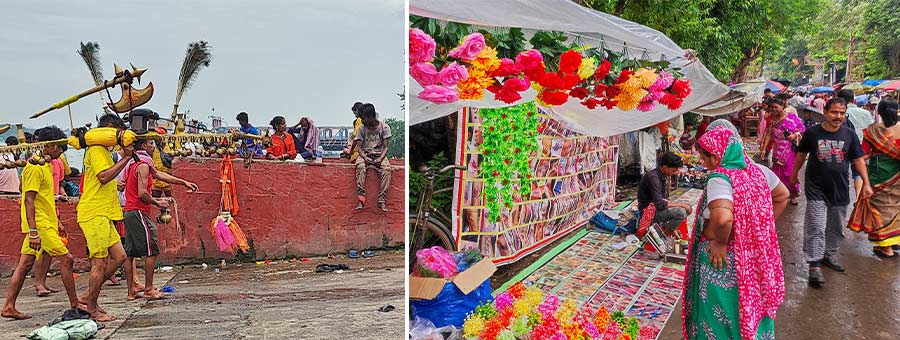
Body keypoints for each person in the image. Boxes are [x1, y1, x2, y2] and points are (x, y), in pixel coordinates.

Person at [682, 126, 787, 340]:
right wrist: (757, 229)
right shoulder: (759, 171)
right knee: (752, 304)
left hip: (724, 259)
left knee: (722, 311)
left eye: (704, 157)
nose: (702, 162)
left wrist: (721, 243)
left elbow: (722, 218)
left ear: (716, 155)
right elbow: (782, 196)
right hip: (754, 256)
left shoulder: (720, 177)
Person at [791, 97, 873, 288]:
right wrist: (794, 175)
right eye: (834, 112)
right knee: (816, 225)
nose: (838, 116)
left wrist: (866, 183)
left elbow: (858, 160)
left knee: (836, 226)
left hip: (840, 187)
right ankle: (814, 264)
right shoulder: (812, 133)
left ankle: (828, 253)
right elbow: (801, 156)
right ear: (825, 112)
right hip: (815, 187)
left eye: (842, 113)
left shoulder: (849, 134)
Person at [2, 126, 81, 320]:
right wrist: (34, 231)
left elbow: (42, 196)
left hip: (47, 220)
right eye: (59, 148)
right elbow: (28, 199)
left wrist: (57, 216)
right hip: (39, 224)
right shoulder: (34, 167)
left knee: (25, 264)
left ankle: (9, 306)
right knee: (67, 259)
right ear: (51, 145)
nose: (61, 152)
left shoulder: (46, 165)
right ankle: (75, 304)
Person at [122, 138, 198, 300]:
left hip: (129, 212)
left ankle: (131, 291)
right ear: (143, 146)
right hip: (138, 212)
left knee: (130, 253)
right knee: (151, 250)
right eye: (151, 144)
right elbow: (142, 193)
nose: (154, 147)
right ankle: (148, 288)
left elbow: (159, 175)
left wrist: (183, 182)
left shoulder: (134, 164)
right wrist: (158, 202)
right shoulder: (142, 166)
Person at [77, 114, 133, 321]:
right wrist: (126, 158)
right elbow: (103, 177)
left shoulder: (105, 152)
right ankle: (91, 307)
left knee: (120, 257)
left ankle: (87, 297)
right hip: (94, 212)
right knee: (99, 264)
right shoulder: (97, 149)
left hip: (105, 213)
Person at [851, 97, 900, 257]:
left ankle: (887, 247)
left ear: (879, 112)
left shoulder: (873, 131)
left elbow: (863, 154)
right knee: (895, 208)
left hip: (879, 175)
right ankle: (893, 241)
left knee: (879, 209)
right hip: (897, 176)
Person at [761, 95, 806, 205]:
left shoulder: (791, 118)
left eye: (776, 107)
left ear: (782, 106)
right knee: (777, 174)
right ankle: (781, 194)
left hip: (789, 151)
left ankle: (794, 194)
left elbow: (802, 130)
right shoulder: (773, 121)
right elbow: (769, 134)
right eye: (773, 108)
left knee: (789, 173)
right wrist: (764, 149)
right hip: (777, 152)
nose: (774, 110)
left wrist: (794, 135)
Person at [637, 152, 692, 234]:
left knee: (688, 208)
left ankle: (668, 227)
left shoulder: (660, 175)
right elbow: (659, 203)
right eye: (673, 170)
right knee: (681, 212)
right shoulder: (653, 178)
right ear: (665, 167)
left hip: (656, 208)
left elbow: (663, 198)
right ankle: (667, 232)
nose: (676, 173)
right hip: (648, 213)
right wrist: (680, 204)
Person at [350, 103, 391, 212]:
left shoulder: (384, 127)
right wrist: (365, 157)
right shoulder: (361, 128)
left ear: (371, 117)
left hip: (379, 154)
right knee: (360, 168)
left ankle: (381, 200)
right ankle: (361, 198)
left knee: (387, 170)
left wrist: (380, 159)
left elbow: (386, 147)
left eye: (363, 118)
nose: (362, 121)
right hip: (365, 154)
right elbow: (359, 147)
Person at [839, 89, 875, 197]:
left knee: (841, 170)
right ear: (853, 99)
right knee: (858, 172)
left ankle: (841, 194)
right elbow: (871, 129)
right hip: (861, 145)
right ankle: (858, 196)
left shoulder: (839, 113)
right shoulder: (865, 113)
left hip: (842, 145)